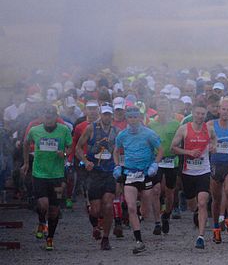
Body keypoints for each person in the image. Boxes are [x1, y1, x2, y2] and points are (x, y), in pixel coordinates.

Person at [113, 106, 163, 254]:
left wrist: (155, 164)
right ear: (126, 118)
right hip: (130, 173)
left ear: (140, 117)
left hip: (146, 174)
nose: (133, 120)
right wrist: (117, 166)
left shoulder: (149, 134)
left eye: (135, 117)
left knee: (145, 212)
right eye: (130, 117)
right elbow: (116, 151)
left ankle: (141, 216)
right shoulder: (122, 135)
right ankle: (139, 241)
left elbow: (160, 150)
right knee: (131, 207)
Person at [22, 105, 72, 250]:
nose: (49, 119)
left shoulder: (64, 130)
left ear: (56, 117)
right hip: (40, 174)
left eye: (51, 116)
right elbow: (26, 143)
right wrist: (26, 163)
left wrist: (63, 154)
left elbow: (70, 147)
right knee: (43, 204)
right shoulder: (34, 130)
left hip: (57, 175)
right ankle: (41, 222)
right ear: (42, 117)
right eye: (46, 116)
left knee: (54, 209)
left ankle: (50, 238)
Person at [170, 101, 217, 249]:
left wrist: (213, 146)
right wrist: (188, 152)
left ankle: (201, 236)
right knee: (193, 204)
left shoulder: (209, 129)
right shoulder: (184, 129)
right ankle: (196, 211)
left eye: (202, 114)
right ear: (192, 114)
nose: (200, 116)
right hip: (187, 172)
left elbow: (214, 140)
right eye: (197, 113)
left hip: (204, 171)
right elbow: (173, 148)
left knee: (203, 202)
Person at [76, 105, 118, 250]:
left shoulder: (116, 131)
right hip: (94, 172)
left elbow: (120, 150)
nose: (107, 117)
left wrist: (119, 165)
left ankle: (105, 238)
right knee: (95, 209)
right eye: (105, 114)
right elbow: (78, 148)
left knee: (108, 205)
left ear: (112, 116)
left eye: (109, 115)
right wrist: (86, 161)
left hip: (109, 172)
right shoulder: (91, 129)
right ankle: (95, 224)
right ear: (100, 114)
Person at [207, 97, 228, 240]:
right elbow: (203, 143)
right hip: (215, 164)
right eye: (223, 109)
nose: (225, 112)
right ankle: (216, 227)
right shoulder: (210, 125)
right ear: (219, 110)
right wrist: (209, 147)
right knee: (216, 199)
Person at [148, 97, 181, 234]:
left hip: (171, 160)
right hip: (156, 160)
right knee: (155, 190)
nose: (162, 112)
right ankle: (157, 222)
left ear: (169, 110)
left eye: (165, 109)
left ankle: (166, 215)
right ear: (157, 110)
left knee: (169, 192)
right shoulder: (151, 125)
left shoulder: (175, 124)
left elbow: (180, 141)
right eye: (160, 109)